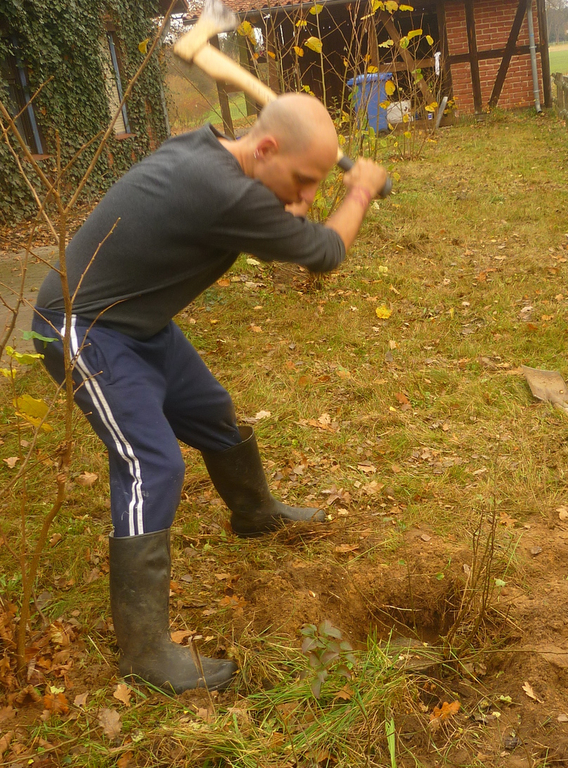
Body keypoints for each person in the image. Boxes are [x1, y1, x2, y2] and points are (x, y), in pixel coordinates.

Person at [32, 93, 388, 694]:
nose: (305, 195)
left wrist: (298, 191)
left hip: (139, 324)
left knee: (211, 413)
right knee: (151, 464)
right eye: (303, 180)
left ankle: (255, 513)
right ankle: (145, 652)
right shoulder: (223, 191)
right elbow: (324, 252)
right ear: (266, 148)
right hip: (82, 329)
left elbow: (281, 217)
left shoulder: (210, 152)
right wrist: (360, 192)